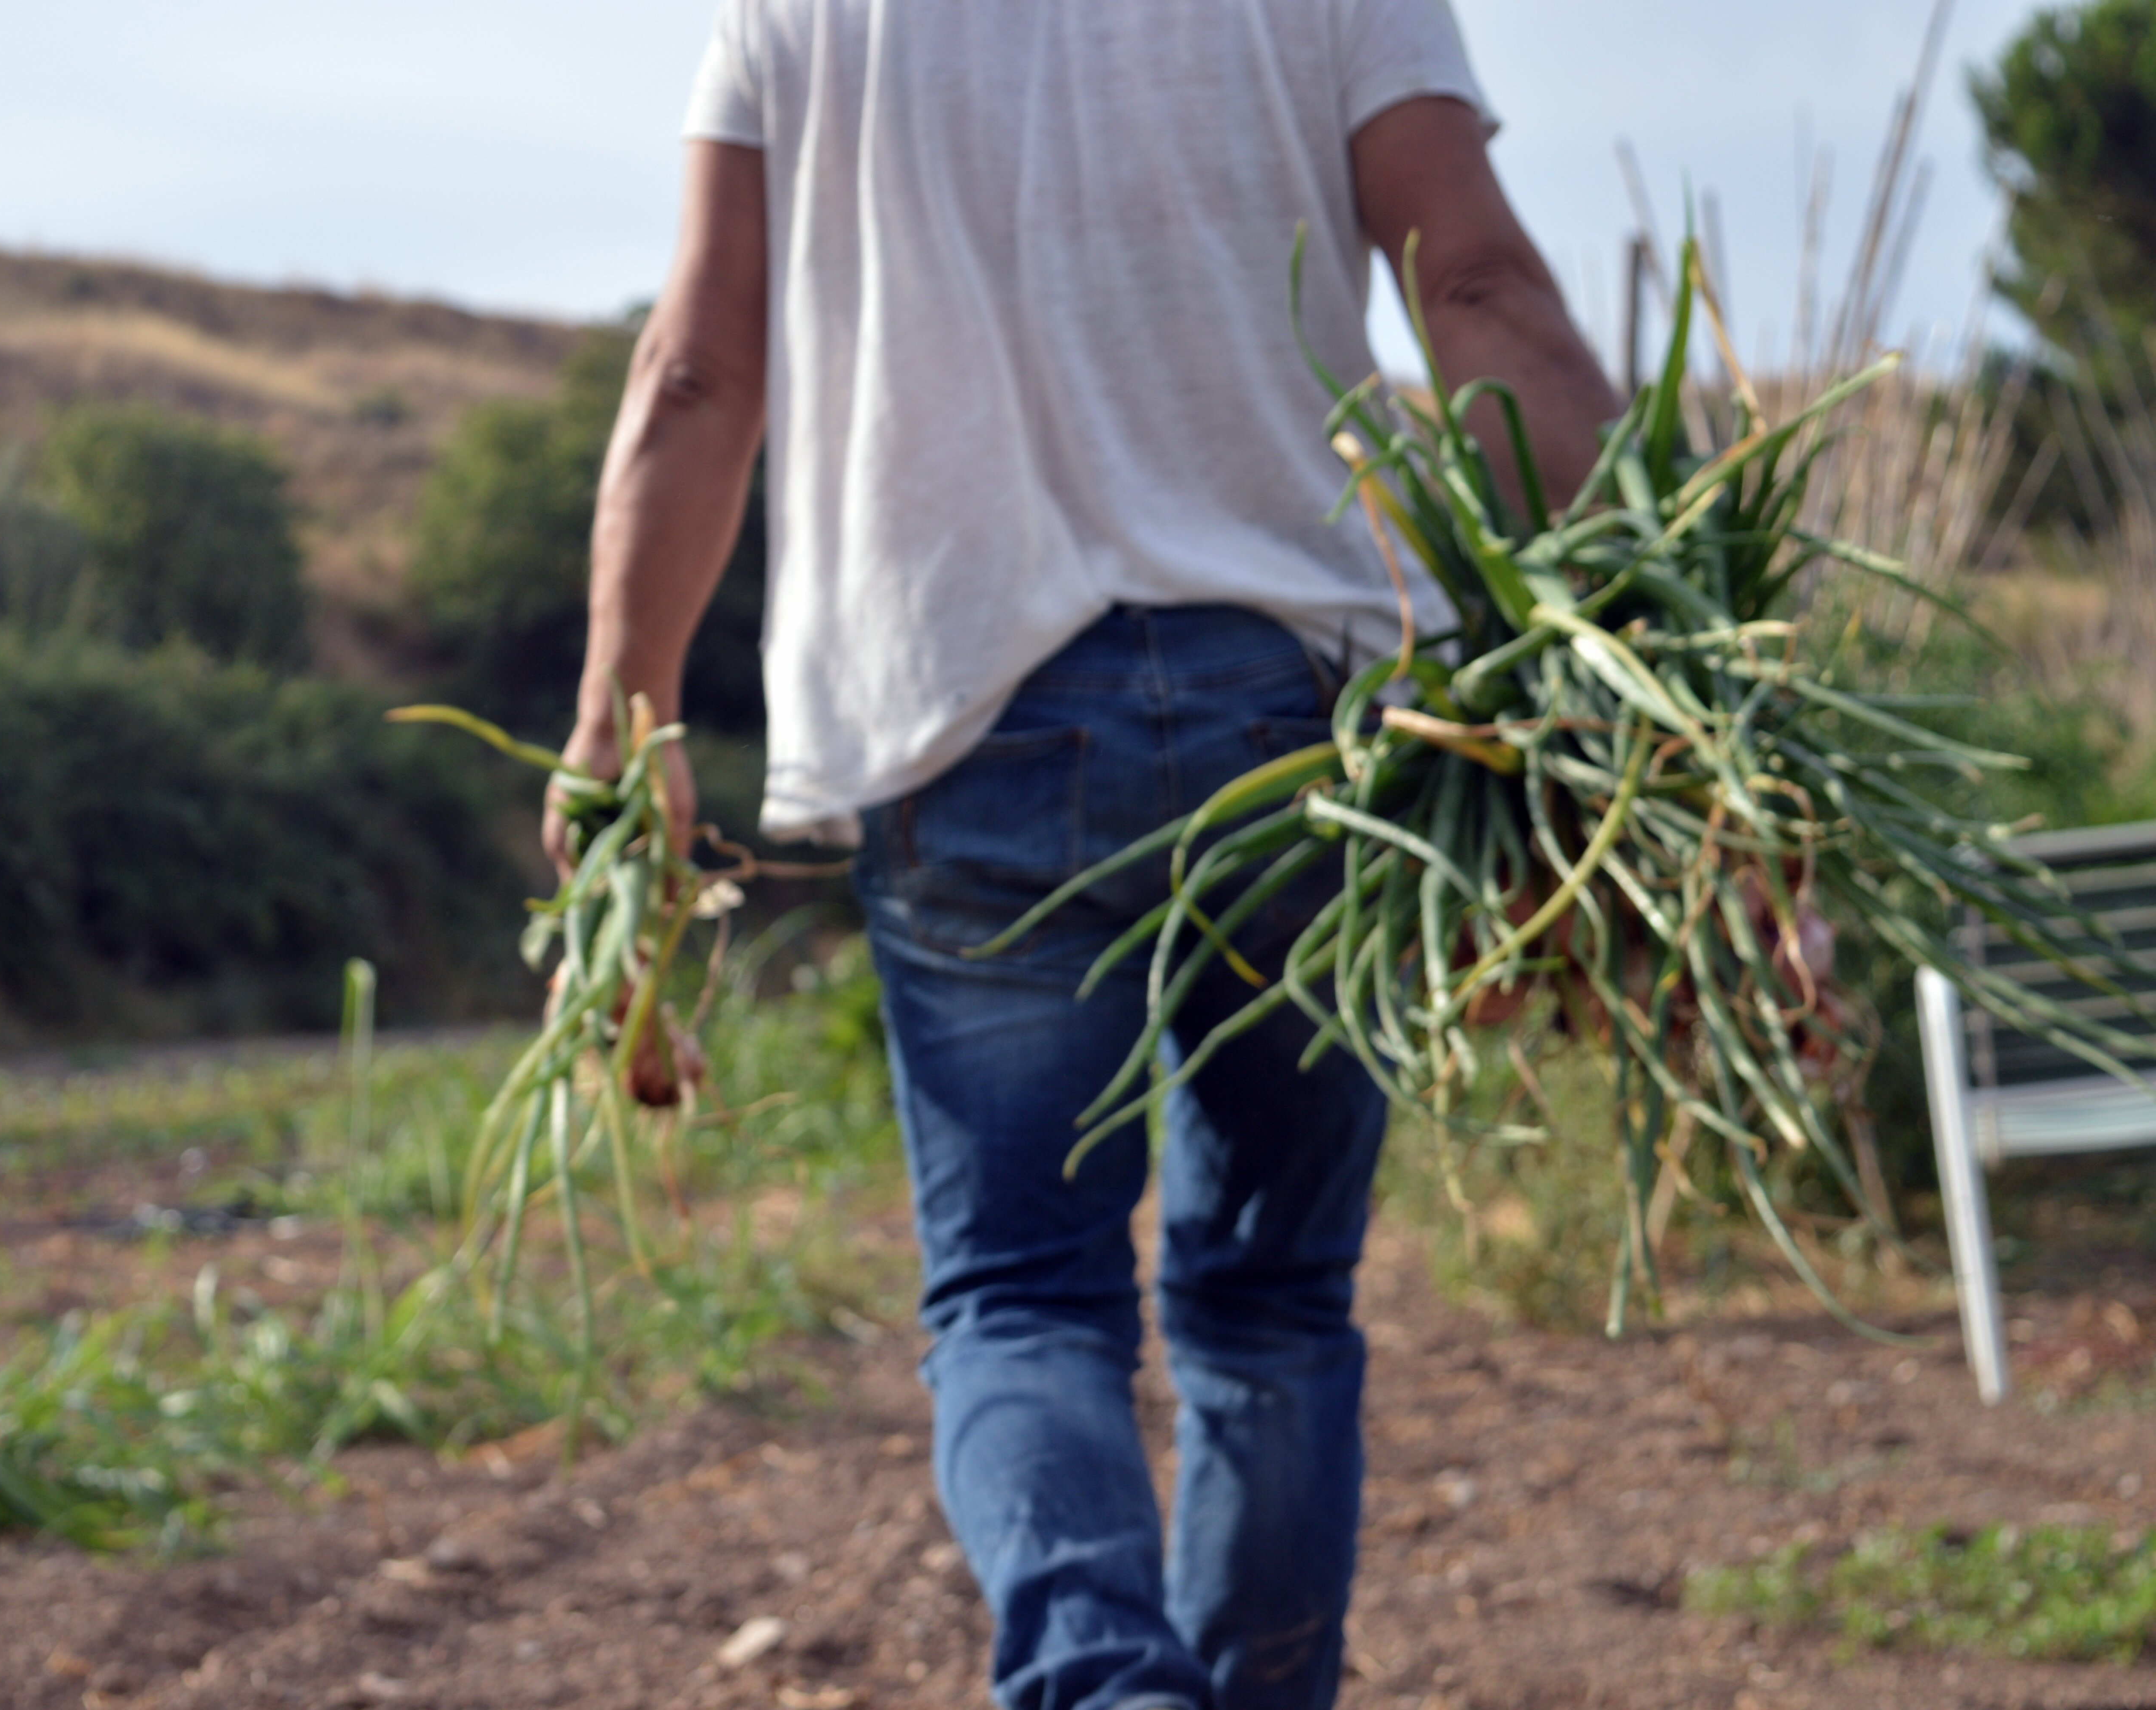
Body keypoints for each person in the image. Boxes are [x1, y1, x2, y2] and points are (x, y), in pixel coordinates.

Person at [547, 5, 1620, 1707]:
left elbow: (699, 365)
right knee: (1270, 1299)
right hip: (1306, 721)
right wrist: (1647, 636)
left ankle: (1106, 1685)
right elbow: (1476, 290)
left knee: (1021, 1299)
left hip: (967, 726)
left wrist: (625, 705)